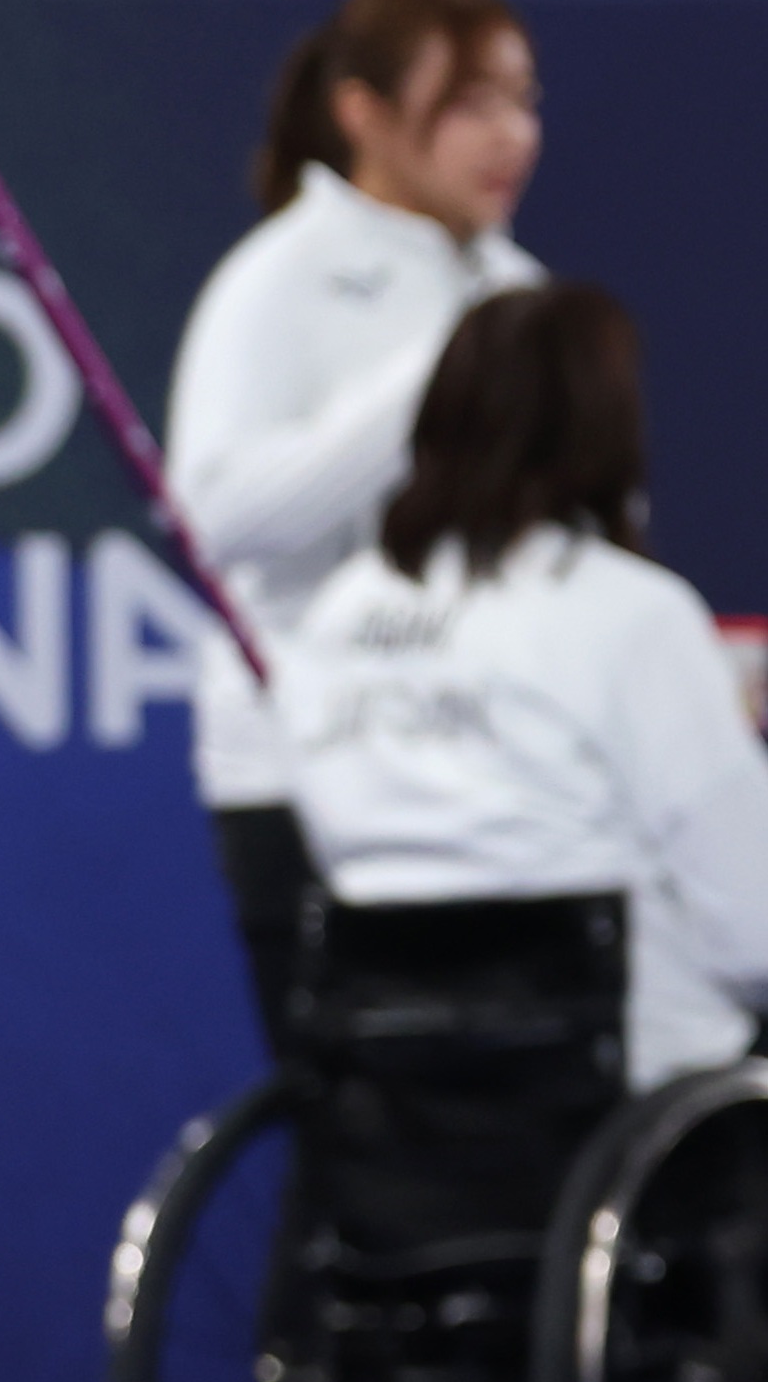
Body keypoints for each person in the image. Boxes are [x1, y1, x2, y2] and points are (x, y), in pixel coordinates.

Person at [165, 0, 545, 1048]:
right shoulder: (278, 277)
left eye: (522, 101)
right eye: (469, 103)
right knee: (356, 1130)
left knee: (468, 1140)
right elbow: (213, 519)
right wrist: (434, 383)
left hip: (482, 774)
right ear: (363, 113)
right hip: (301, 770)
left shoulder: (517, 290)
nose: (507, 136)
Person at [287, 284, 768, 1091]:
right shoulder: (630, 615)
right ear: (608, 425)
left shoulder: (339, 609)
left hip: (401, 1101)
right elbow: (755, 925)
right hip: (639, 1102)